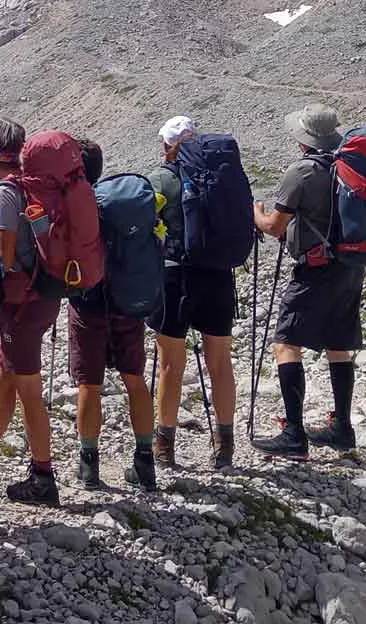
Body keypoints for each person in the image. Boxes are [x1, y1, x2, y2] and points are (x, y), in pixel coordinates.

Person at [252, 105, 366, 460]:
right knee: (338, 343)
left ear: (304, 139)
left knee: (286, 343)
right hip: (350, 266)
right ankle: (342, 427)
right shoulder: (349, 167)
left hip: (314, 270)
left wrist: (255, 213)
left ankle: (294, 433)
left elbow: (275, 227)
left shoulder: (302, 171)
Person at [0, 119, 63, 505]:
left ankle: (43, 476)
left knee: (28, 391)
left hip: (20, 302)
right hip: (42, 295)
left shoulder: (7, 191)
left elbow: (5, 250)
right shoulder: (35, 184)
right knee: (2, 377)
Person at [146, 116, 243, 471]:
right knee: (220, 361)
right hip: (218, 275)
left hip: (176, 277)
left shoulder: (163, 178)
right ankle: (224, 445)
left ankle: (164, 446)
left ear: (169, 146)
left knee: (171, 362)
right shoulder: (219, 179)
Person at [68, 141, 157, 490]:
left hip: (89, 304)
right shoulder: (120, 205)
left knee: (89, 384)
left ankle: (89, 466)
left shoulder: (82, 206)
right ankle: (145, 463)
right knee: (134, 378)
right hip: (127, 301)